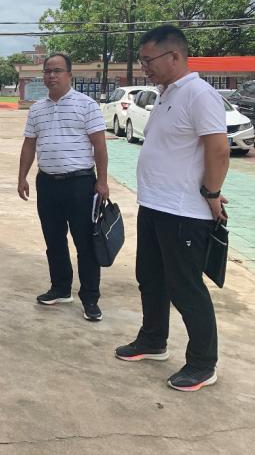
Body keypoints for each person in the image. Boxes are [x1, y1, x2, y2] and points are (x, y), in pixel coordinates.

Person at [115, 25, 228, 392]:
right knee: (150, 277)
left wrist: (212, 192)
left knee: (185, 288)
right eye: (142, 60)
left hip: (183, 210)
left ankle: (202, 364)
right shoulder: (166, 94)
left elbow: (218, 149)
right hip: (154, 204)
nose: (144, 67)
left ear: (174, 56)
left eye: (148, 60)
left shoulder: (199, 94)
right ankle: (153, 340)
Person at [17, 53, 109, 321]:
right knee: (54, 240)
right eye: (47, 71)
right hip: (47, 183)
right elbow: (29, 144)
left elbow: (99, 145)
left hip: (80, 184)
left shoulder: (86, 105)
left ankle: (90, 298)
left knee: (85, 243)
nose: (51, 75)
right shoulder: (37, 109)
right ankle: (60, 288)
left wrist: (102, 181)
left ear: (70, 74)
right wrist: (22, 177)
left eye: (57, 71)